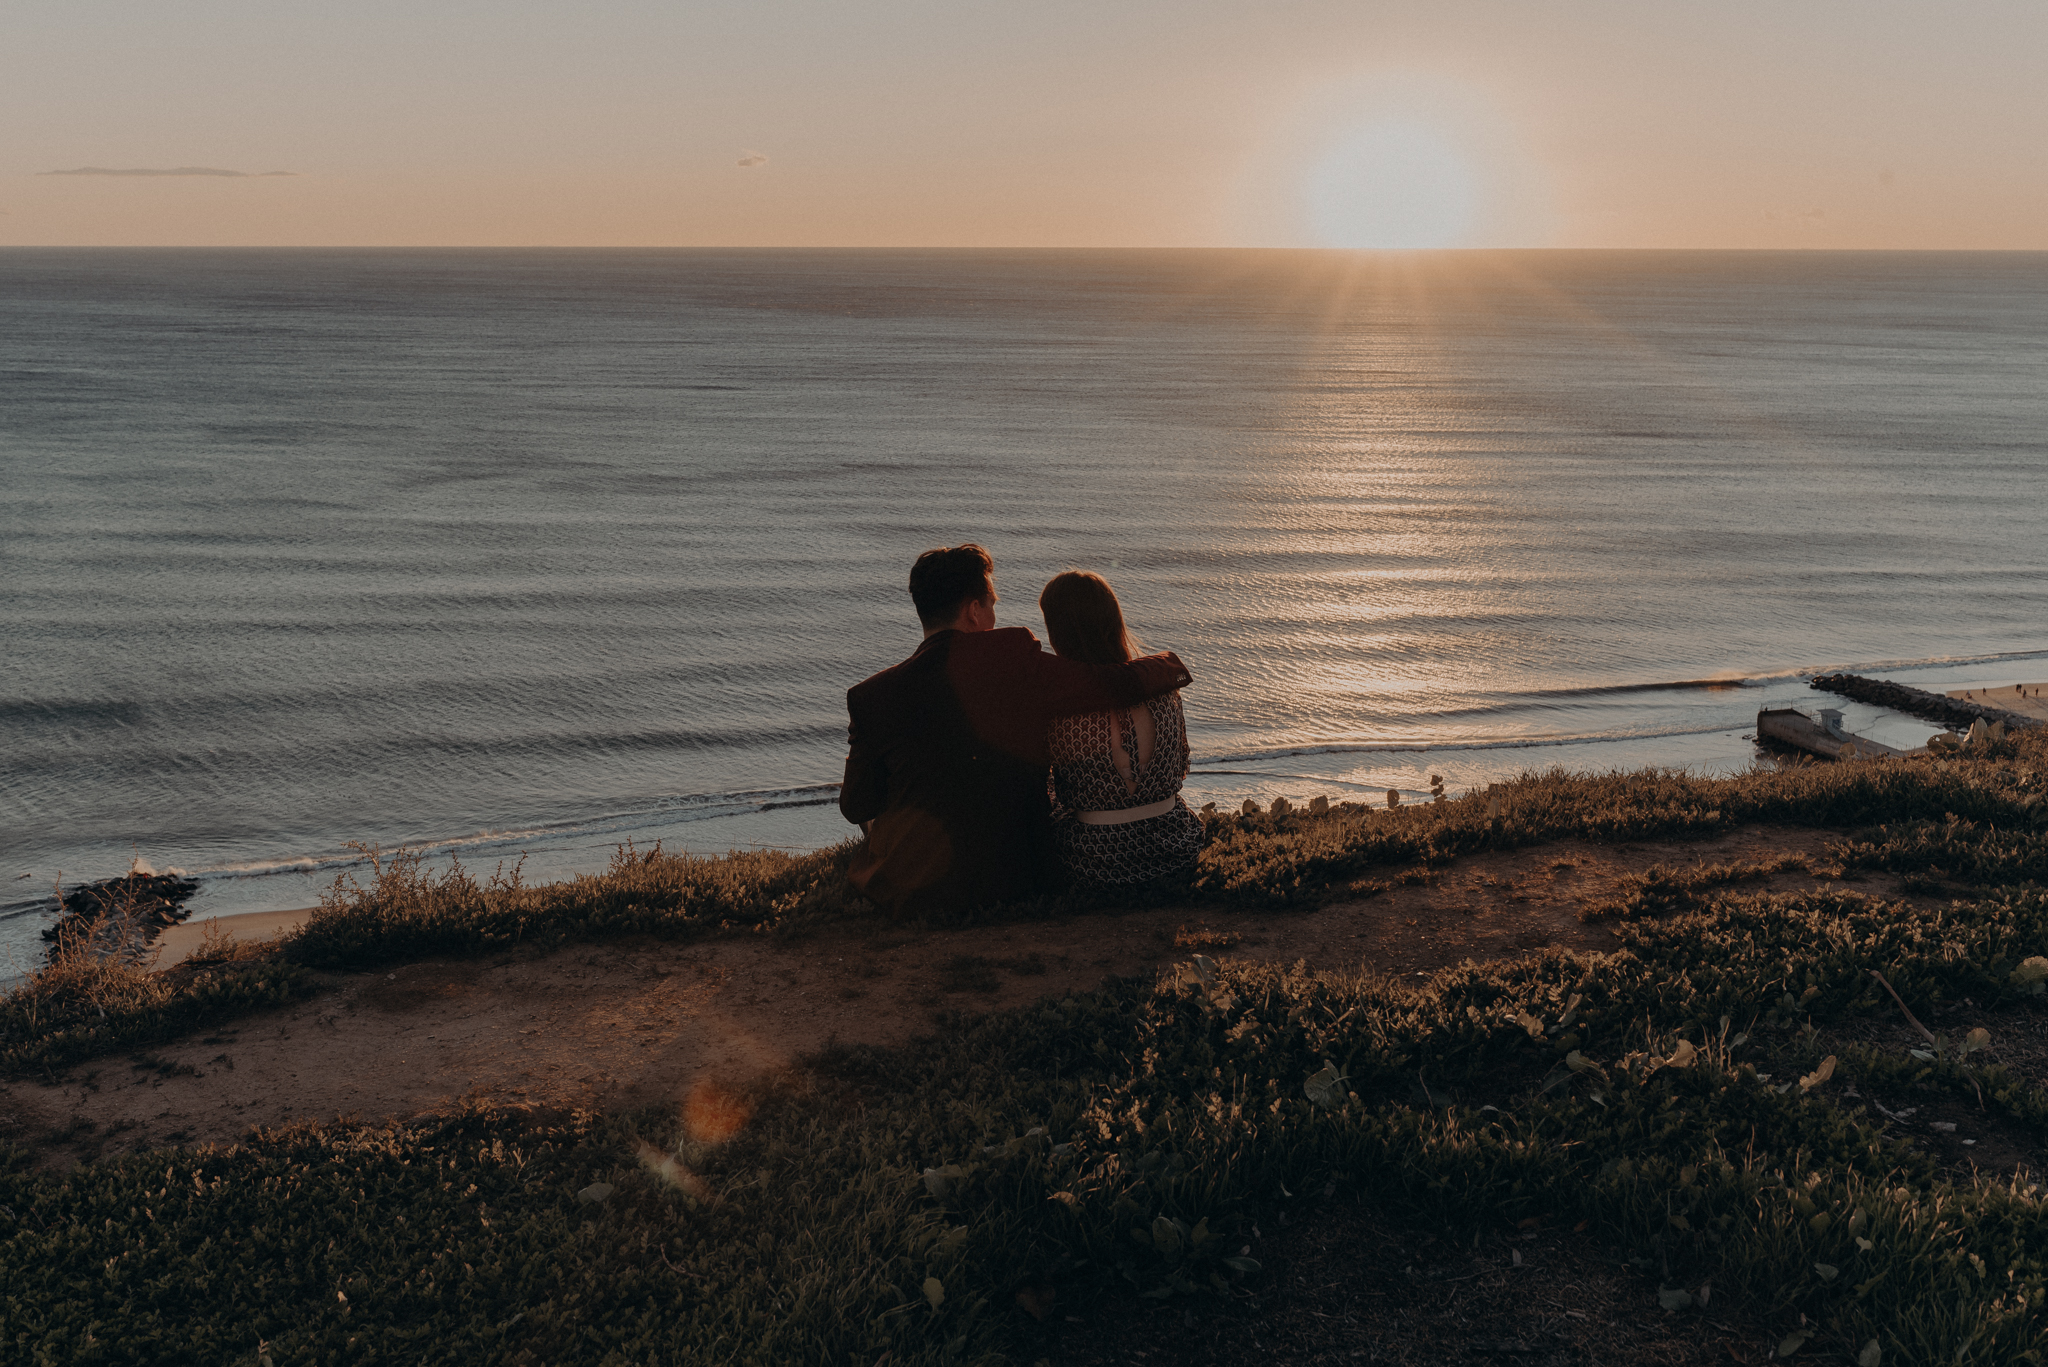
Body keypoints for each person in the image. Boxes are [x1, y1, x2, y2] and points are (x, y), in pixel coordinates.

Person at [839, 544, 1192, 918]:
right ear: (974, 611)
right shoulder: (1014, 658)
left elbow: (856, 806)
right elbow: (1107, 682)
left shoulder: (870, 696)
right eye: (992, 604)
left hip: (916, 893)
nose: (994, 615)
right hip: (1016, 877)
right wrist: (1171, 666)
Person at [1038, 571, 1205, 886]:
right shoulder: (1166, 691)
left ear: (1058, 633)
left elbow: (1055, 793)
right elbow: (1179, 766)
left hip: (1093, 860)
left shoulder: (1059, 711)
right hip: (1175, 848)